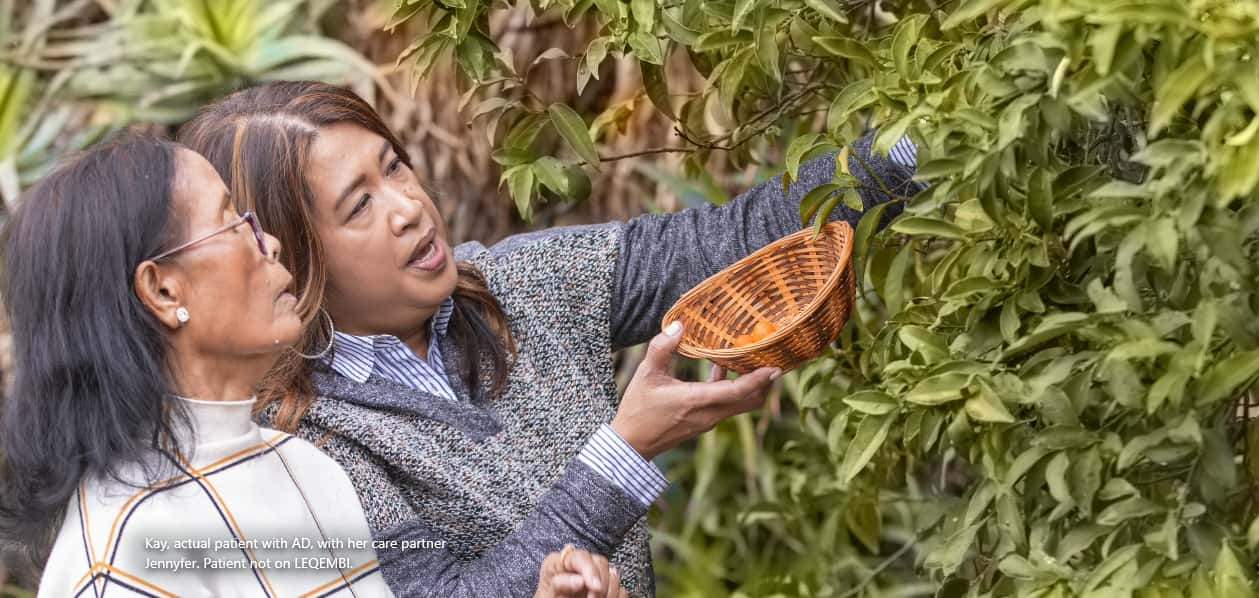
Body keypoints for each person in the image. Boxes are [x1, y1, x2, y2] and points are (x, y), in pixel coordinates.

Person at [177, 80, 925, 596]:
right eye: (358, 206)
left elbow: (732, 237)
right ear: (293, 254)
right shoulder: (302, 442)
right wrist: (623, 453)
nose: (407, 208)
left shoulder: (523, 287)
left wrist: (939, 139)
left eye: (395, 167)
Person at [1, 135, 625, 598]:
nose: (269, 242)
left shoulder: (306, 470)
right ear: (164, 292)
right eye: (232, 223)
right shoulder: (127, 561)